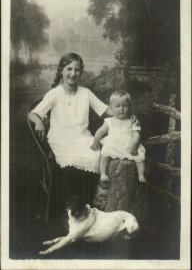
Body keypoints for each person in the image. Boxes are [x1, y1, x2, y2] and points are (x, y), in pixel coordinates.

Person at [28, 53, 112, 220]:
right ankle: (70, 212)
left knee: (95, 157)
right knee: (73, 160)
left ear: (81, 73)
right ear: (62, 70)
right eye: (69, 69)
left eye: (77, 70)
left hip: (82, 138)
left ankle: (86, 208)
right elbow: (33, 114)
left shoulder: (86, 93)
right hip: (61, 139)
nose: (73, 74)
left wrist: (123, 113)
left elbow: (105, 110)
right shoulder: (55, 93)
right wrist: (38, 121)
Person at [91, 90, 146, 183]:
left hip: (129, 145)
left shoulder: (132, 121)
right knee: (104, 154)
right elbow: (100, 131)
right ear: (111, 108)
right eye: (117, 106)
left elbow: (136, 134)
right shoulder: (109, 121)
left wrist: (134, 146)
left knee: (140, 157)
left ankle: (141, 174)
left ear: (129, 107)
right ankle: (103, 173)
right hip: (113, 145)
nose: (121, 109)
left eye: (125, 106)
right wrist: (95, 142)